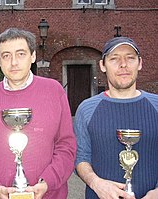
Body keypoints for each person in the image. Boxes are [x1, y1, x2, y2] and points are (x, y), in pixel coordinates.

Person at [0, 28, 77, 199]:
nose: (14, 62)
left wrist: (48, 182)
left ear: (33, 56)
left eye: (21, 54)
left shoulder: (54, 91)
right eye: (6, 55)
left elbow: (66, 146)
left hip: (49, 195)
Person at [74, 36, 158, 199]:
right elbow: (80, 157)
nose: (123, 65)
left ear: (140, 63)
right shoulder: (87, 109)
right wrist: (96, 183)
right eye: (114, 59)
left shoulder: (156, 105)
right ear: (102, 66)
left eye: (130, 58)